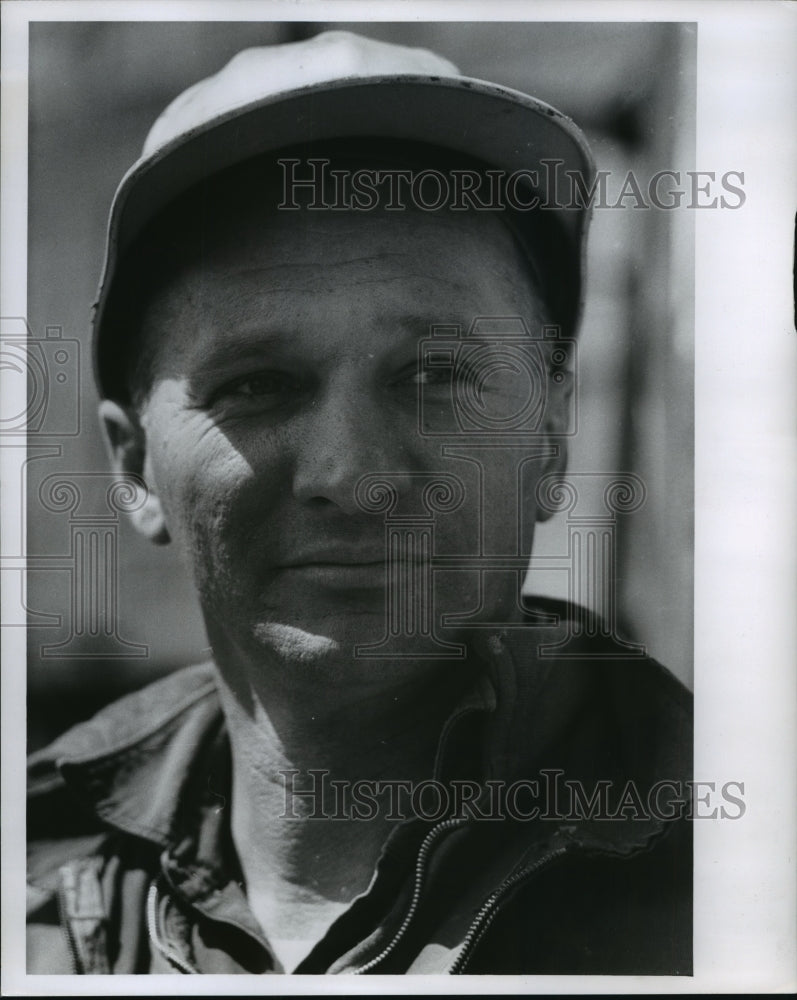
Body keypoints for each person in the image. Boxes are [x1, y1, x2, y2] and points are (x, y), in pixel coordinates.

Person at [26, 30, 692, 975]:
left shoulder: (737, 882)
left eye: (435, 372)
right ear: (135, 468)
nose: (350, 472)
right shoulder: (34, 884)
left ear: (549, 436)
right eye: (257, 384)